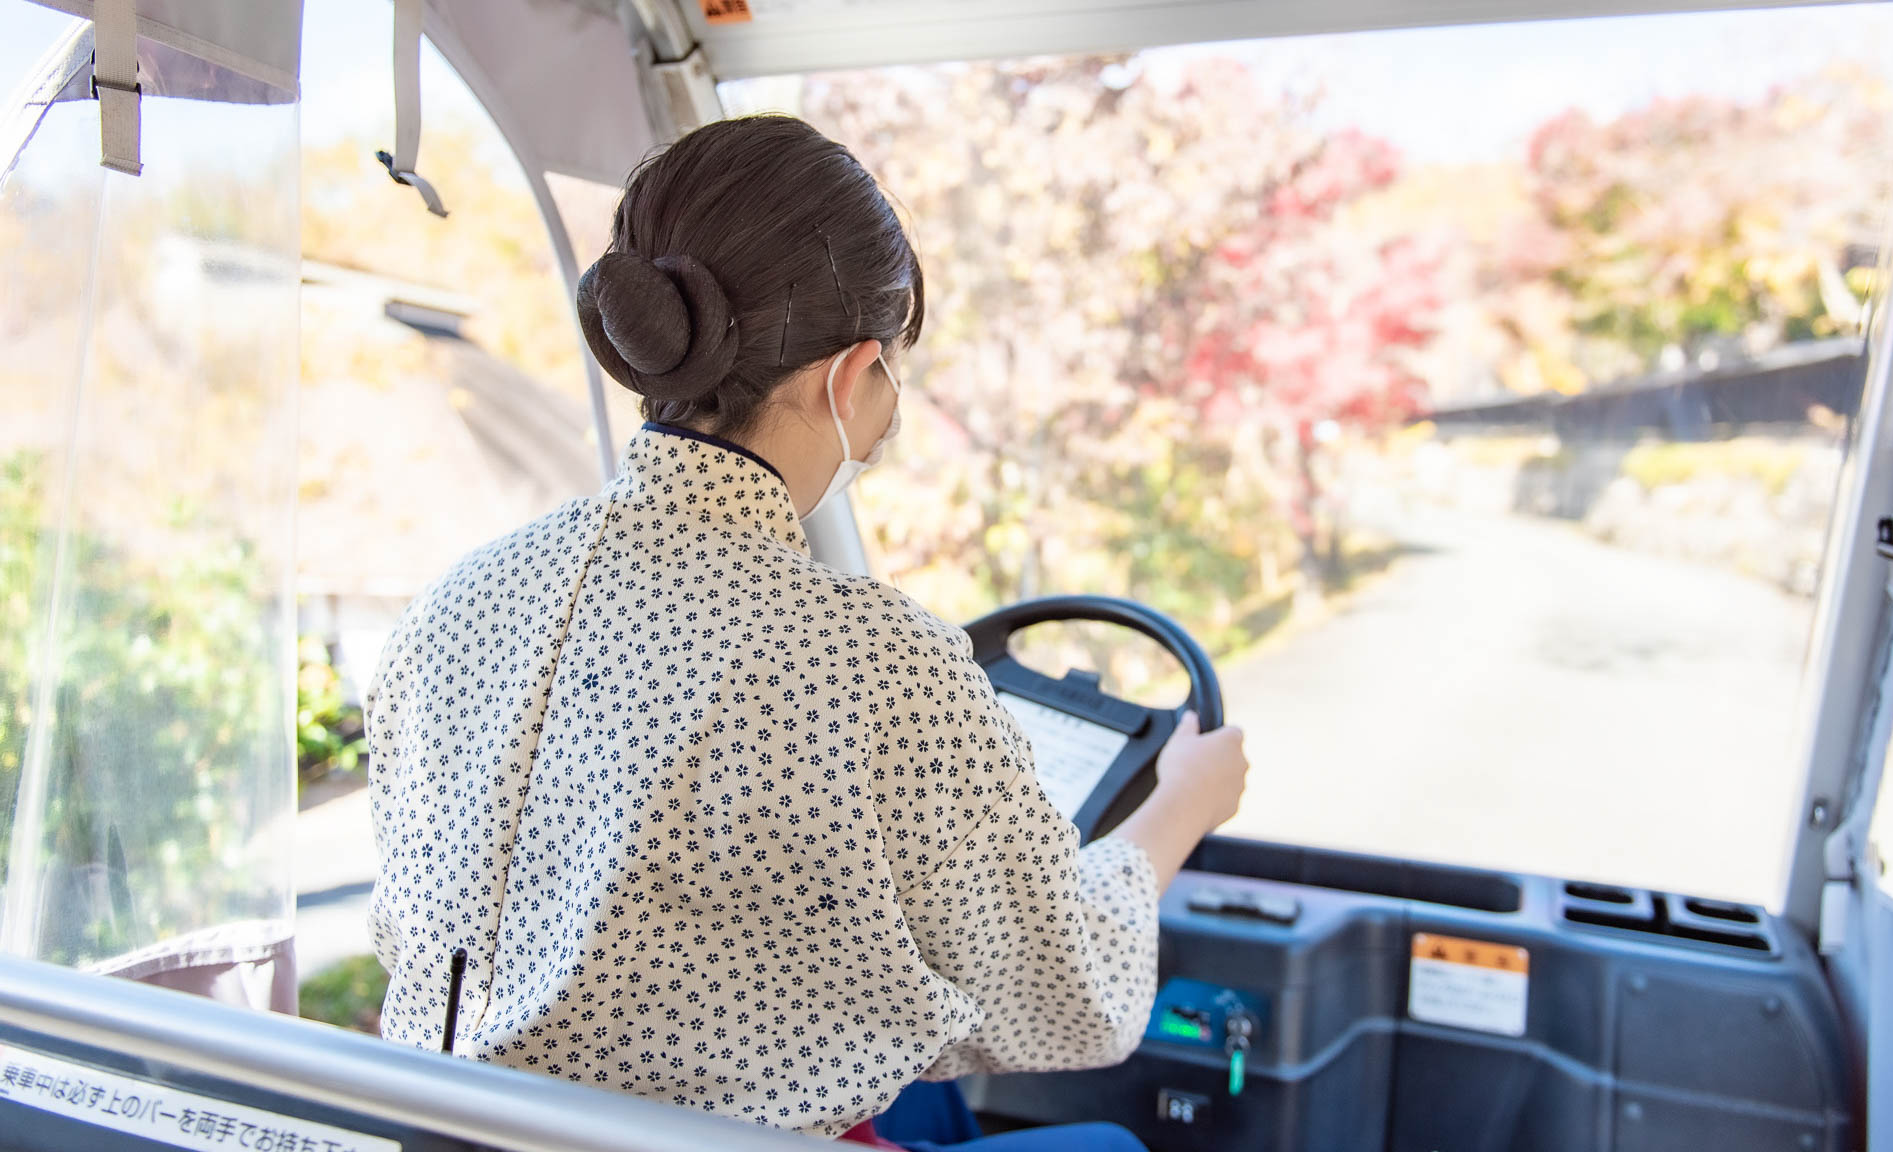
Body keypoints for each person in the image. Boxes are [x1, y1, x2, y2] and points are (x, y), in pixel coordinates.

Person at [363, 114, 1251, 1147]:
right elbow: (1066, 995)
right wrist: (1177, 811)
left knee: (922, 1078)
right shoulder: (878, 662)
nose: (889, 411)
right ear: (848, 373)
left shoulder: (458, 600)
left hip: (459, 1126)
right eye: (891, 376)